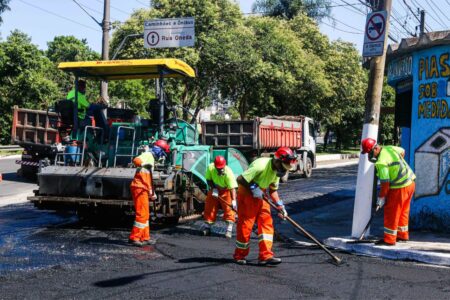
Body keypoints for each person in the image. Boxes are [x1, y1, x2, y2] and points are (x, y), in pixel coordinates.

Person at [233, 147, 297, 266]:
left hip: (260, 193)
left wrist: (280, 206)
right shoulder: (260, 165)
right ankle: (239, 255)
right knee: (246, 225)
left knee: (266, 222)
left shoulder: (277, 171)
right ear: (277, 160)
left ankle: (265, 255)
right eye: (284, 166)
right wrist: (254, 188)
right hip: (246, 193)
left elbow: (273, 190)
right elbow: (240, 179)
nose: (284, 170)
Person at [361, 138, 416, 246]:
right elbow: (402, 151)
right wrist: (395, 169)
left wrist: (381, 198)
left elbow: (385, 184)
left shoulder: (381, 162)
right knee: (403, 210)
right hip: (410, 183)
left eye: (370, 152)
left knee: (392, 212)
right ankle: (402, 235)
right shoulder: (389, 148)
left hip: (400, 187)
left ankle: (389, 239)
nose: (370, 156)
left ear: (376, 148)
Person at [128, 139, 169, 246]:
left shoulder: (150, 158)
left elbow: (148, 177)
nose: (162, 156)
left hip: (143, 188)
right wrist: (142, 159)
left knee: (145, 214)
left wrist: (151, 192)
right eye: (162, 153)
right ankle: (135, 237)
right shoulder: (148, 155)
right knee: (141, 213)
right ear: (159, 150)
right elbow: (136, 160)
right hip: (140, 188)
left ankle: (144, 237)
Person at [203, 156, 238, 239]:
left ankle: (229, 230)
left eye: (221, 168)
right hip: (214, 188)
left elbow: (232, 188)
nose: (220, 170)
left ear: (224, 165)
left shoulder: (228, 173)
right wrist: (214, 188)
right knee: (209, 206)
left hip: (226, 190)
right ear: (215, 166)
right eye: (218, 168)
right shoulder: (210, 168)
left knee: (229, 209)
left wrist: (233, 201)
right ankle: (207, 227)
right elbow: (208, 180)